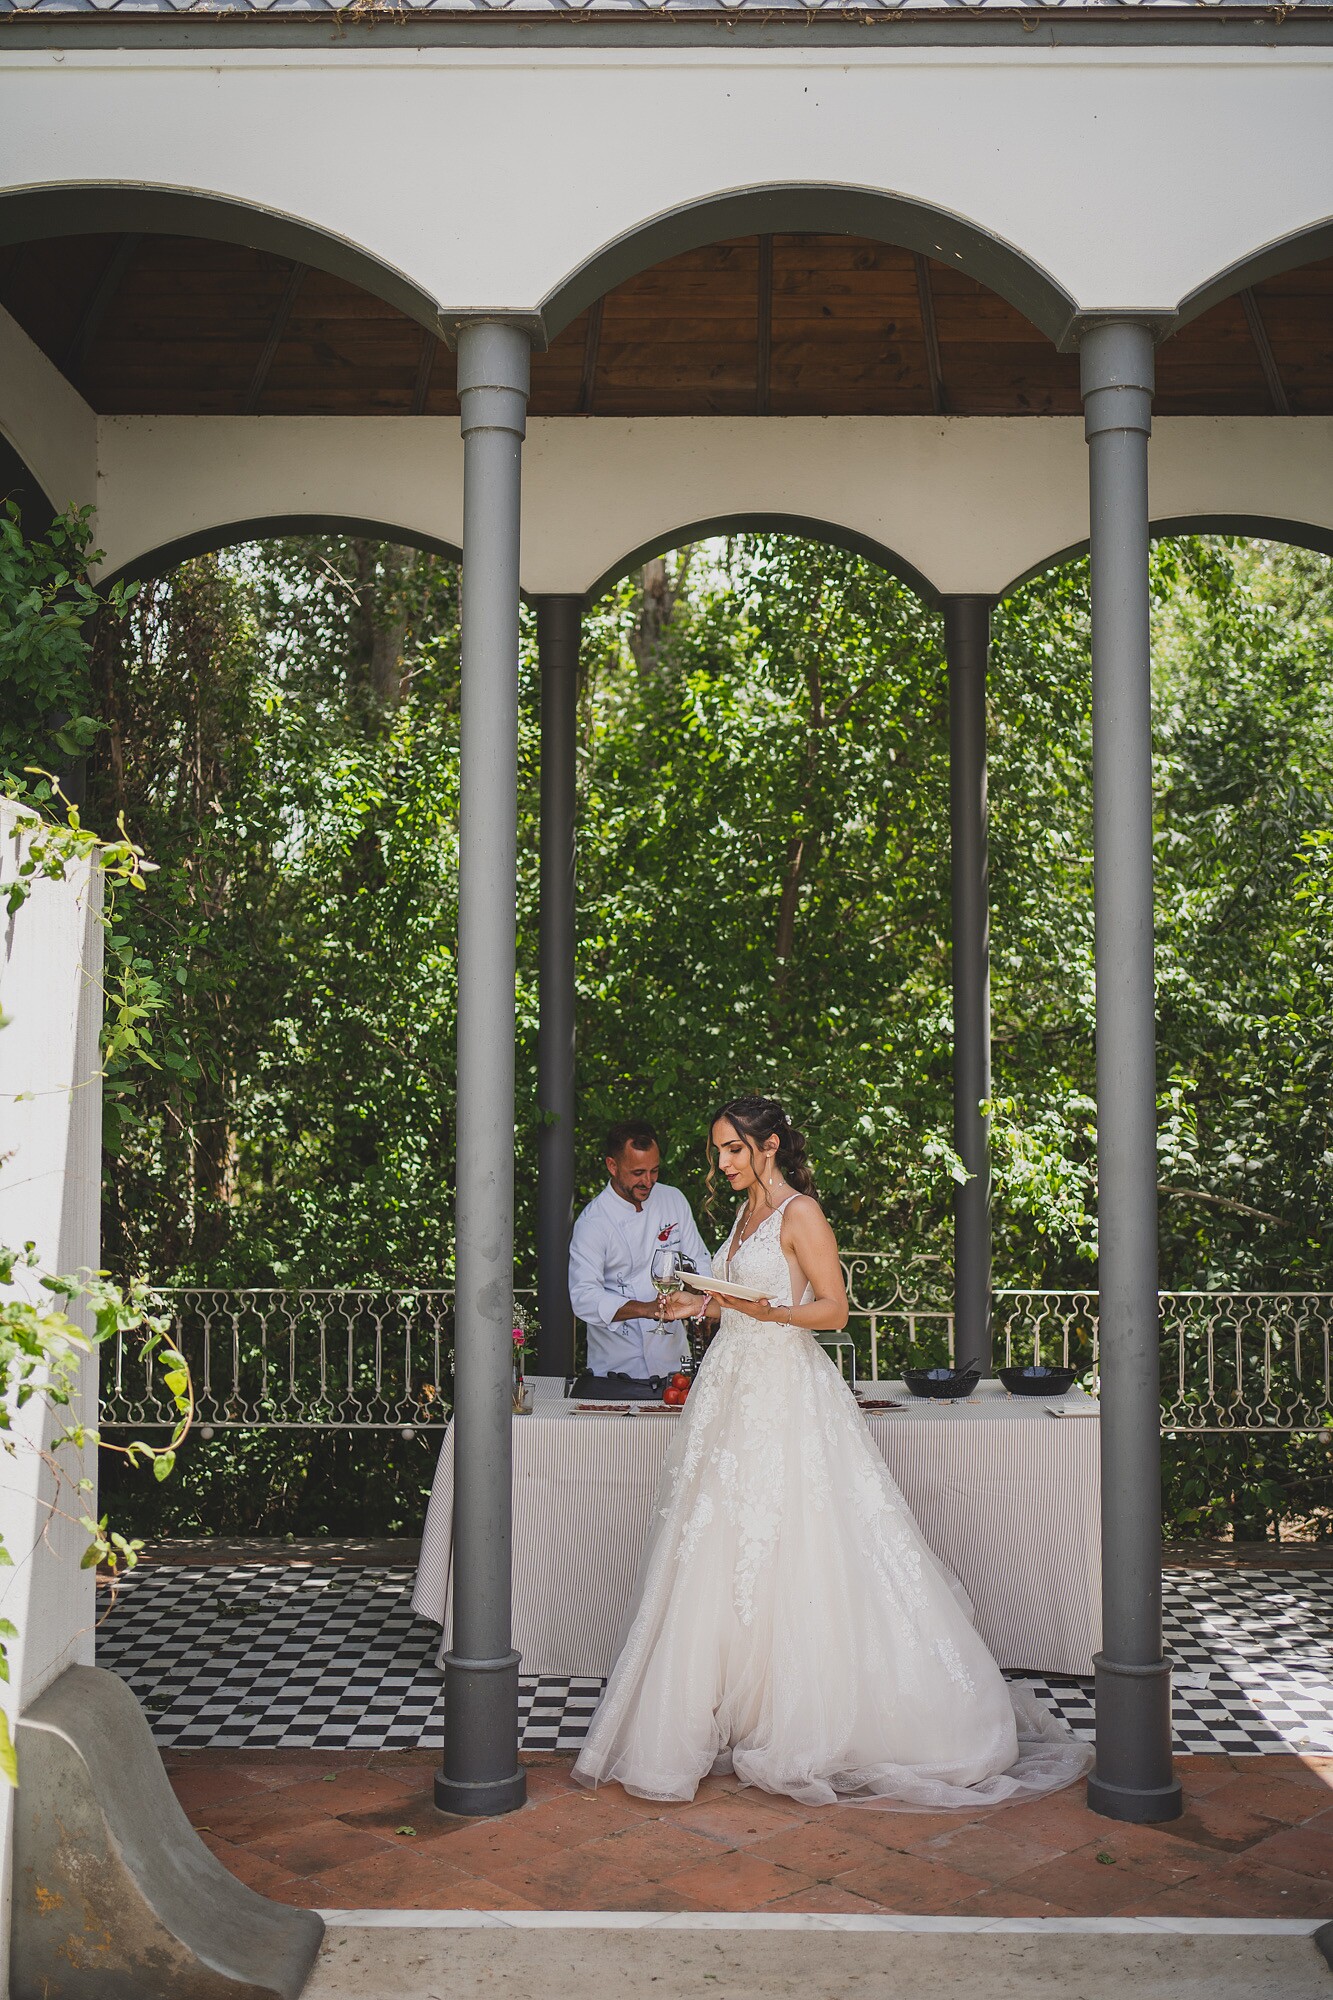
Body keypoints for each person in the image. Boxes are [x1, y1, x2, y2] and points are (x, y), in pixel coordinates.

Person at [572, 1093, 1093, 1810]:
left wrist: (766, 1312)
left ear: (769, 1146)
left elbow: (832, 1308)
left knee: (803, 1542)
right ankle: (741, 1711)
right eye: (716, 1149)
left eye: (731, 1148)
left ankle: (830, 1717)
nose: (719, 1162)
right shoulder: (744, 1213)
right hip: (729, 1390)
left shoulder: (799, 1213)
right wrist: (694, 1304)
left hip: (783, 1392)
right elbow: (736, 1299)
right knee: (721, 1547)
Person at [568, 1117, 712, 1382]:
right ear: (612, 1165)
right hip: (617, 1364)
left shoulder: (673, 1199)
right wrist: (646, 1309)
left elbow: (700, 1260)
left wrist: (699, 1297)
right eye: (638, 1173)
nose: (648, 1181)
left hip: (673, 1363)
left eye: (654, 1171)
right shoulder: (593, 1222)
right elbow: (583, 1297)